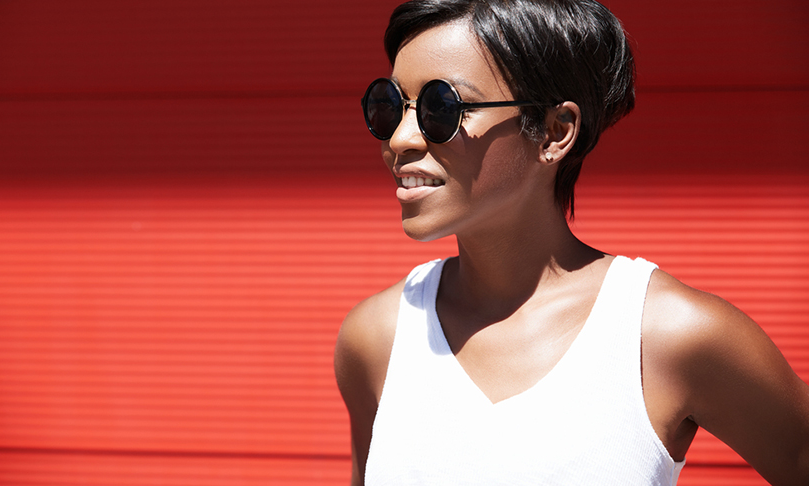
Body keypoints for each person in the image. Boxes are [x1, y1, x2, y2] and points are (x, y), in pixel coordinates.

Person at [334, 0, 809, 484]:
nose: (401, 139)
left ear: (554, 132)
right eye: (389, 106)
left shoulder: (667, 336)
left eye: (441, 107)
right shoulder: (377, 338)